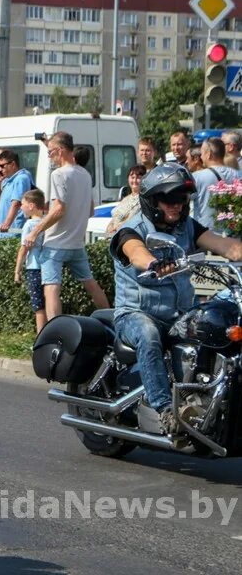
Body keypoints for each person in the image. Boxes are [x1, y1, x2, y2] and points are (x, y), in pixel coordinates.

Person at [111, 163, 242, 433]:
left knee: (218, 324)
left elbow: (226, 246)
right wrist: (152, 264)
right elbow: (135, 252)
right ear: (151, 200)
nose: (176, 206)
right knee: (148, 335)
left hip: (178, 313)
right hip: (137, 314)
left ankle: (207, 400)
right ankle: (165, 410)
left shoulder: (186, 227)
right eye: (169, 199)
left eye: (181, 199)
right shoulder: (131, 230)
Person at [23, 132, 109, 319]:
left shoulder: (58, 174)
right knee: (91, 285)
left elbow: (59, 209)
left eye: (51, 152)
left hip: (55, 244)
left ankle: (56, 334)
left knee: (51, 289)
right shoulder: (85, 175)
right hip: (77, 243)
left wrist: (35, 232)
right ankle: (112, 321)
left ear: (60, 151)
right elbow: (90, 211)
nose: (50, 156)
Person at [14, 189, 47, 333]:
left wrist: (17, 271)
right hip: (48, 266)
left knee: (38, 306)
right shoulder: (47, 222)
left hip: (34, 267)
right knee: (48, 303)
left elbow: (23, 249)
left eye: (23, 204)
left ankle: (41, 336)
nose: (21, 207)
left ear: (31, 206)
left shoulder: (29, 225)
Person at [191, 137, 238, 229]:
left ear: (208, 154)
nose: (201, 157)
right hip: (232, 231)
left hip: (206, 234)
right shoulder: (238, 174)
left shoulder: (197, 177)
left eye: (202, 153)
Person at [0, 150, 34, 238]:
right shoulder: (7, 180)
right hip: (3, 233)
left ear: (13, 164)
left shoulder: (21, 178)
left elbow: (16, 203)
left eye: (2, 166)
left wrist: (6, 224)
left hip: (12, 234)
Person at [106, 165, 145, 235]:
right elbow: (115, 218)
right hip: (113, 235)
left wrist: (119, 226)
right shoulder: (126, 199)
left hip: (127, 235)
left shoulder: (144, 199)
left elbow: (133, 219)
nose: (135, 180)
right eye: (132, 177)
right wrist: (110, 227)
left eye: (139, 178)